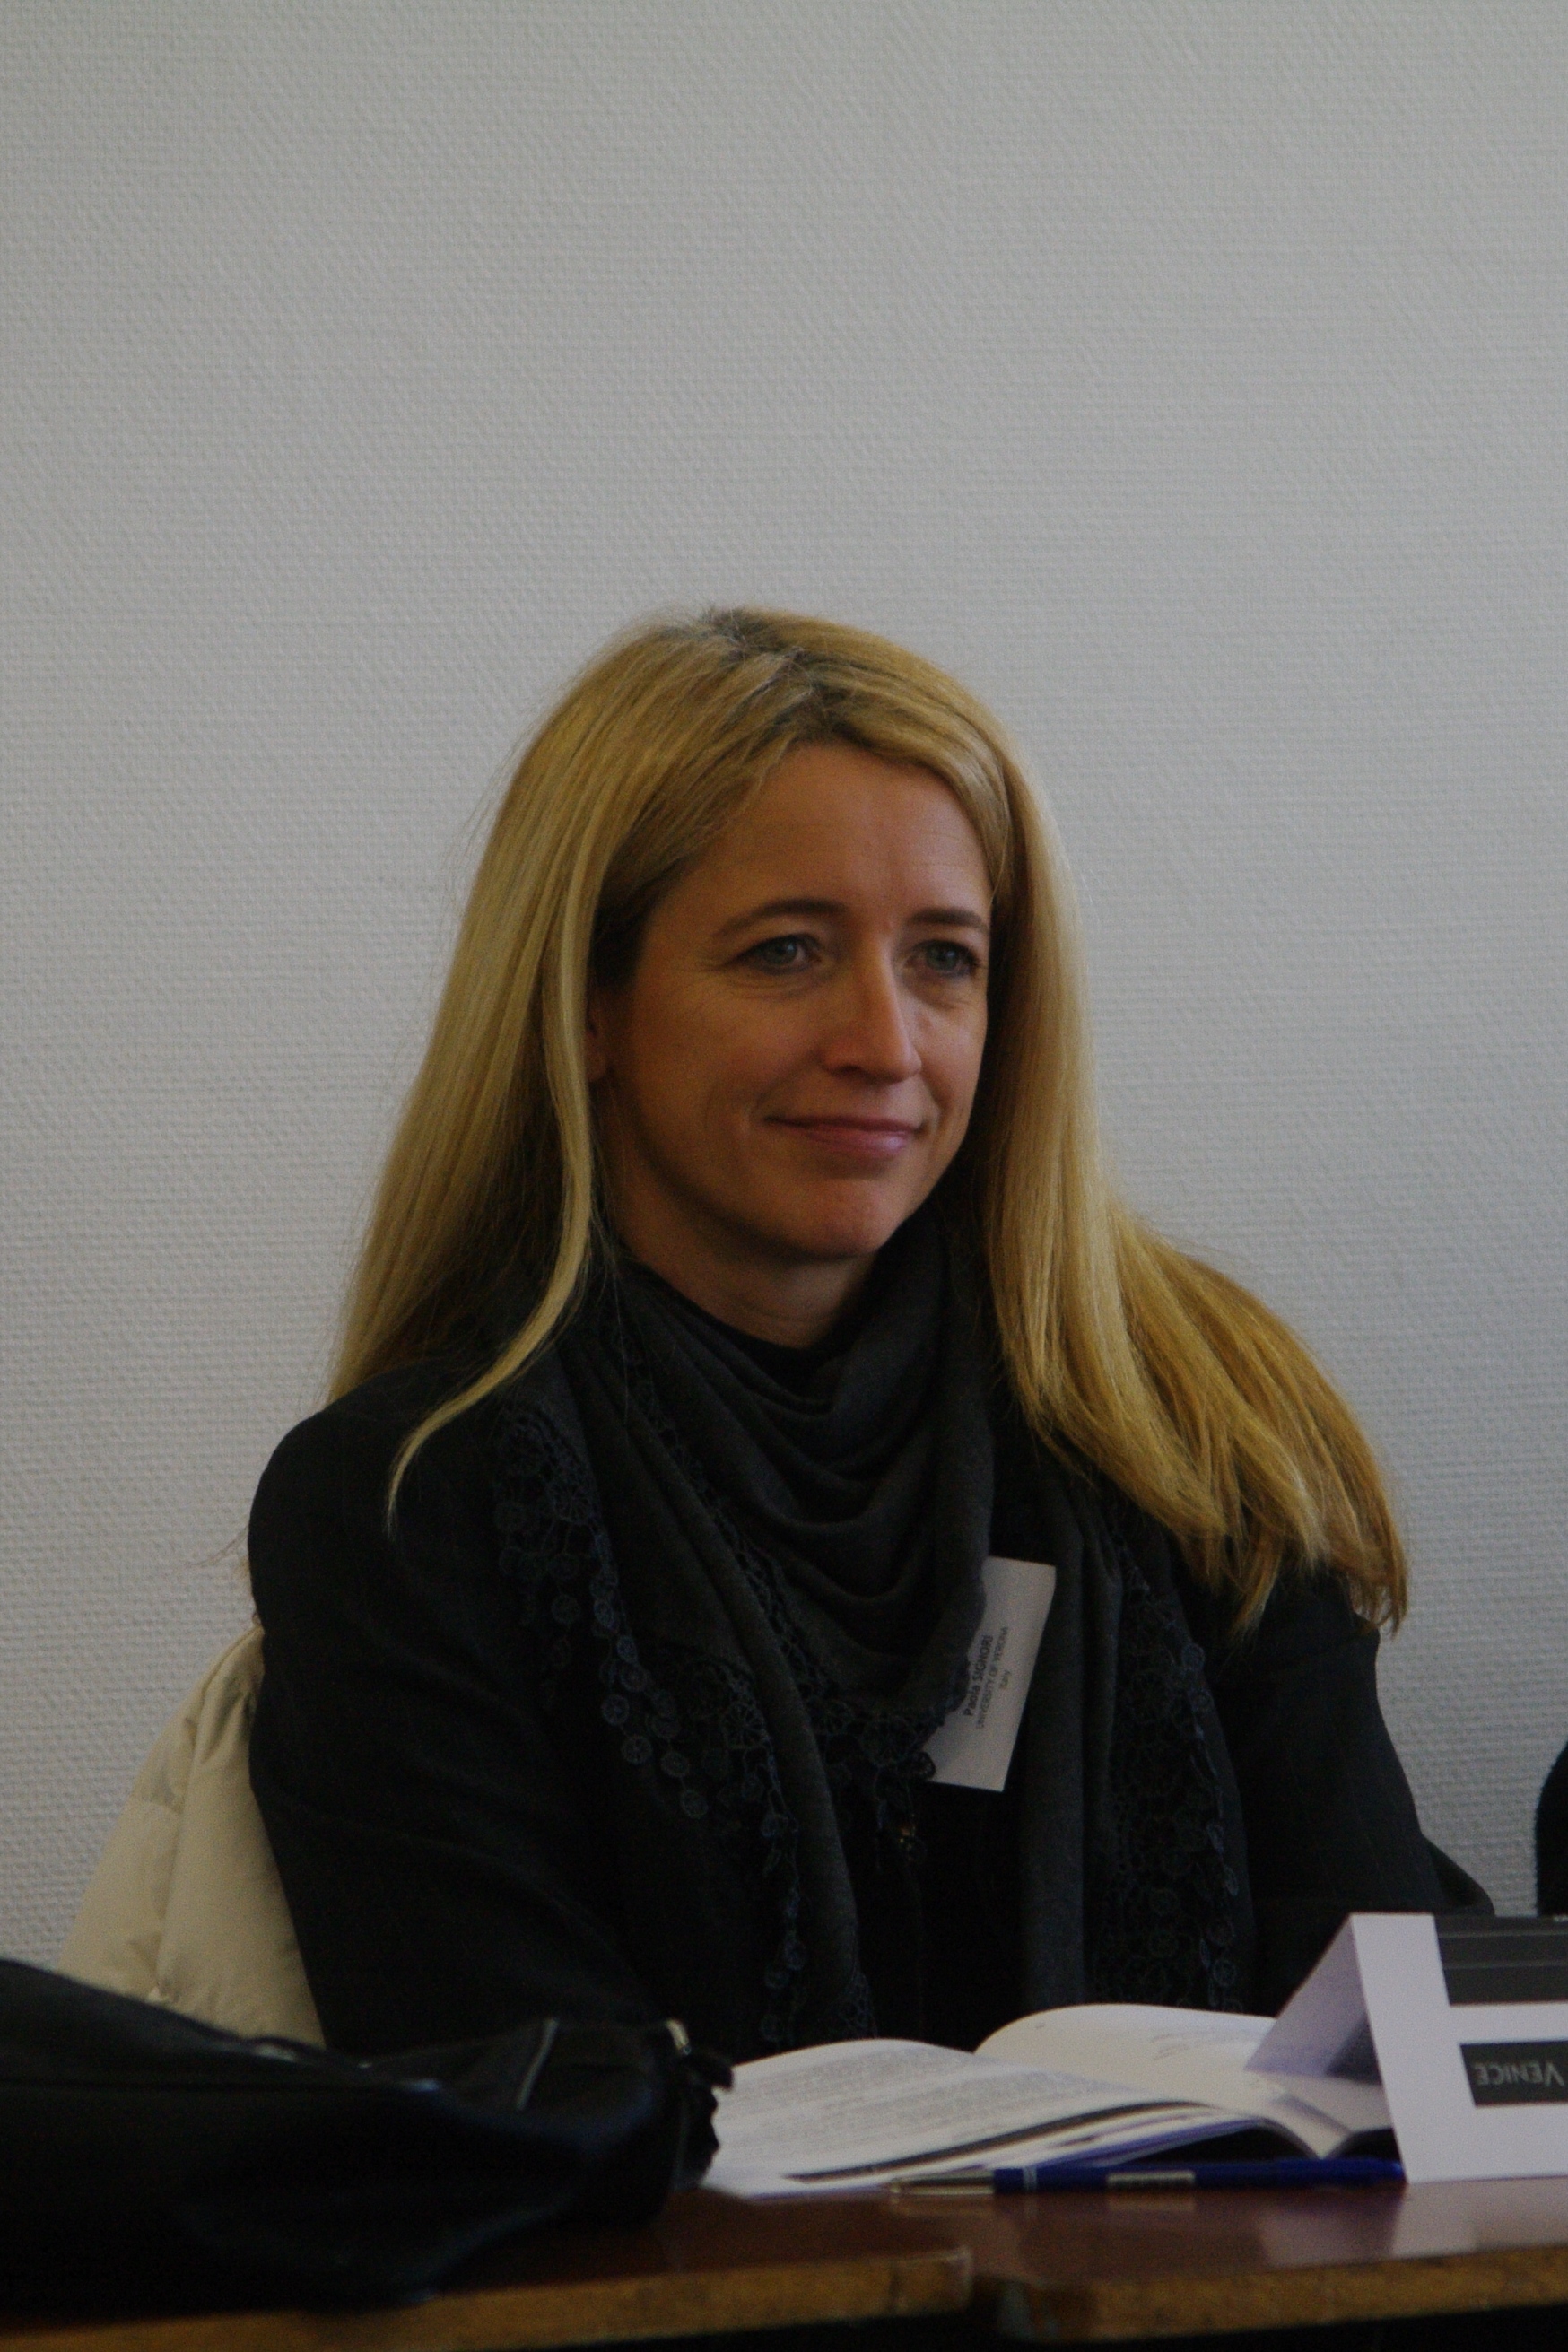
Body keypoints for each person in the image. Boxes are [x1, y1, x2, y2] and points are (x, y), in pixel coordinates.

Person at [248, 607, 1484, 2062]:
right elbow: (528, 2116)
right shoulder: (409, 1506)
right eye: (785, 952)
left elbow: (1387, 2042)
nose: (887, 1045)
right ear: (588, 1004)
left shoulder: (1192, 1419)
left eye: (945, 959)